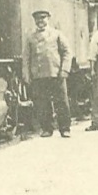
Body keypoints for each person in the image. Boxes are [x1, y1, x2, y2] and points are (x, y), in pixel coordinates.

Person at [24, 10, 72, 138]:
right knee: (42, 103)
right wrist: (27, 74)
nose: (40, 21)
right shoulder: (30, 37)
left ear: (48, 19)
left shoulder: (56, 34)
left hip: (56, 74)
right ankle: (47, 129)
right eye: (37, 19)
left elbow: (67, 52)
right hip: (39, 75)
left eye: (43, 18)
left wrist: (64, 70)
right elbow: (26, 57)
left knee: (61, 102)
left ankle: (65, 128)